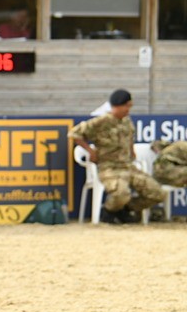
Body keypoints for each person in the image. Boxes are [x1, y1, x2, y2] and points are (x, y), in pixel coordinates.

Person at [69, 89, 165, 223]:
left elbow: (130, 136)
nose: (128, 109)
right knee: (121, 193)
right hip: (109, 169)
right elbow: (74, 134)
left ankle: (124, 210)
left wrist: (131, 151)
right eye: (127, 106)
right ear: (117, 105)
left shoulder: (126, 121)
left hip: (128, 167)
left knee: (158, 193)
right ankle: (108, 211)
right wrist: (90, 152)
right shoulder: (101, 121)